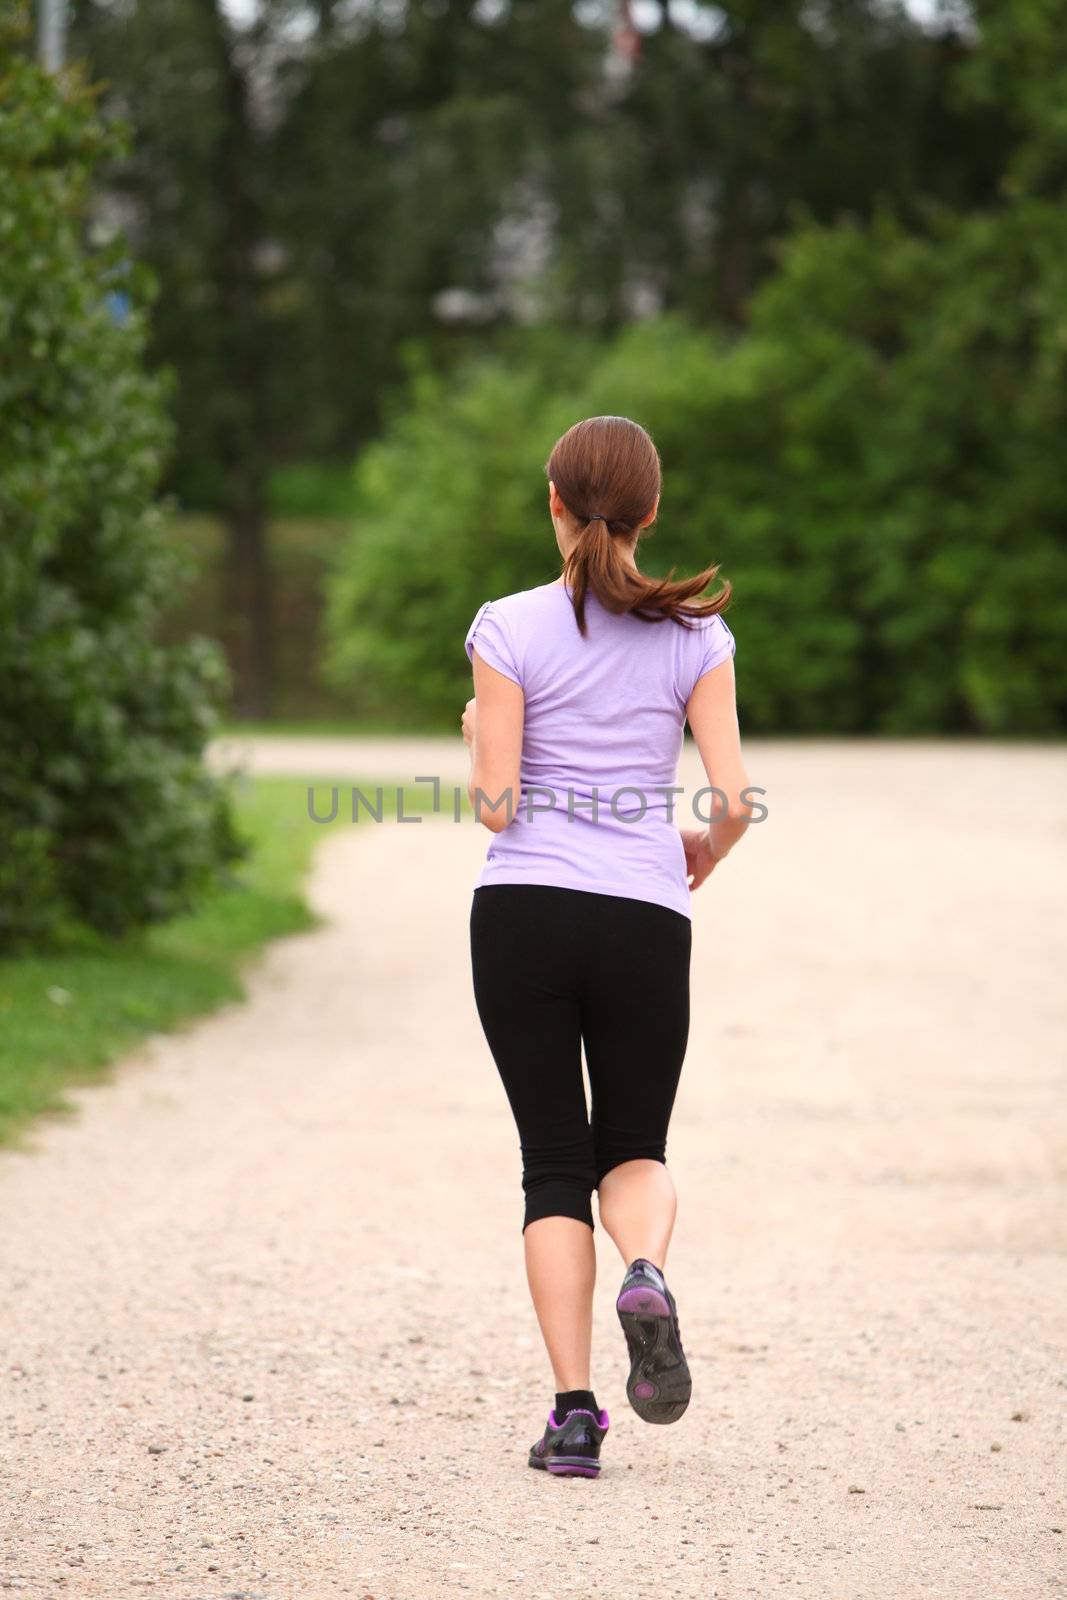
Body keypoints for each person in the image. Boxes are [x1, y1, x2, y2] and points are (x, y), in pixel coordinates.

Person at [462, 414, 752, 1479]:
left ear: (551, 504)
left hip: (522, 915)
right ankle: (644, 1267)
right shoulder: (696, 638)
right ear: (650, 512)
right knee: (634, 1150)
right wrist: (700, 856)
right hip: (641, 916)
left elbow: (495, 805)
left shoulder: (503, 625)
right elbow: (729, 800)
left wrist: (471, 739)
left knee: (551, 1165)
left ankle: (575, 1416)